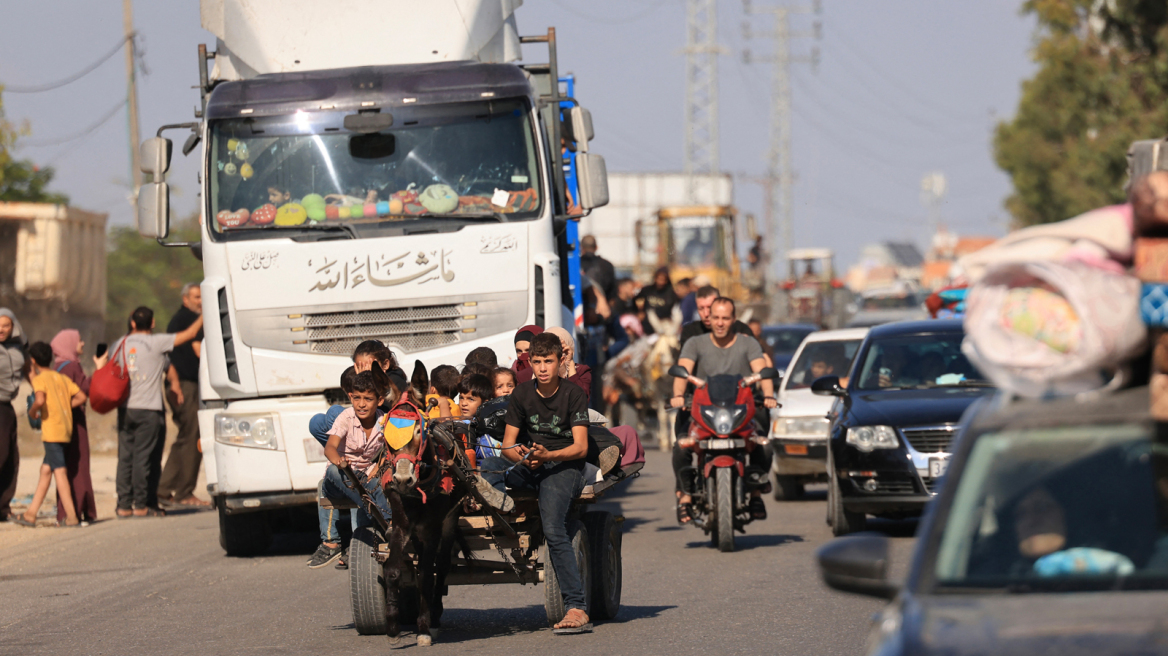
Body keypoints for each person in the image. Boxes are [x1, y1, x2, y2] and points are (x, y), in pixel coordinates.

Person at [479, 332, 593, 631]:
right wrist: (524, 458)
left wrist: (548, 455)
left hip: (563, 467)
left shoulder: (573, 394)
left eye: (549, 362)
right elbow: (507, 445)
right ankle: (505, 511)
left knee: (554, 529)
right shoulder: (522, 394)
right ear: (529, 363)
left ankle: (576, 607)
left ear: (560, 361)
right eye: (537, 362)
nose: (543, 368)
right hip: (532, 463)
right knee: (489, 466)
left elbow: (581, 447)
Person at [671, 297, 776, 524]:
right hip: (704, 410)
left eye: (725, 318)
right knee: (681, 445)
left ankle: (756, 494)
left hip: (740, 410)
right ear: (708, 318)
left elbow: (762, 371)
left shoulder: (748, 343)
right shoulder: (695, 343)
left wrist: (768, 396)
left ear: (733, 320)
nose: (719, 323)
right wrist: (679, 396)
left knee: (763, 445)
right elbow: (683, 372)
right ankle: (685, 497)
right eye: (715, 317)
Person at [112, 306, 204, 518]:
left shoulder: (120, 344)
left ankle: (124, 505)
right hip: (150, 410)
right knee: (145, 459)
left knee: (125, 458)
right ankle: (142, 504)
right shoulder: (156, 343)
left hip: (125, 409)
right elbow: (190, 335)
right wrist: (204, 313)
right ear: (152, 324)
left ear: (132, 323)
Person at [14, 343, 87, 527]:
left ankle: (71, 517)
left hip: (52, 432)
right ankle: (31, 514)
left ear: (33, 361)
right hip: (65, 430)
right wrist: (62, 407)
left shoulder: (40, 380)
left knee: (59, 472)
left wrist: (33, 412)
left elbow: (39, 400)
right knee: (46, 470)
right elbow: (81, 397)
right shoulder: (60, 378)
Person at [319, 369, 395, 548]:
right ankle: (375, 515)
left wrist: (382, 465)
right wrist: (339, 462)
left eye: (368, 399)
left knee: (379, 484)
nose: (361, 404)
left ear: (380, 401)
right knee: (333, 471)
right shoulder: (346, 417)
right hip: (340, 478)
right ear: (351, 397)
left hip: (367, 478)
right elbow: (330, 447)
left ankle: (391, 525)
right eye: (357, 398)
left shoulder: (385, 422)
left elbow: (390, 450)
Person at [158, 282, 208, 508]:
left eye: (201, 297)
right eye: (196, 297)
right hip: (185, 386)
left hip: (187, 385)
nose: (200, 301)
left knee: (187, 437)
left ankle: (165, 488)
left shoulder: (185, 319)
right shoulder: (187, 319)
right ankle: (183, 492)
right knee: (191, 438)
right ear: (185, 299)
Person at [307, 366, 358, 570]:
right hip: (348, 460)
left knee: (335, 412)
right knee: (318, 420)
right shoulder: (348, 418)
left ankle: (357, 540)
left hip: (365, 468)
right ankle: (331, 543)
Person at [50, 329, 101, 524]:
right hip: (74, 422)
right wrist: (99, 370)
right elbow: (83, 390)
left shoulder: (59, 367)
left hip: (62, 423)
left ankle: (67, 512)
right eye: (79, 341)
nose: (82, 344)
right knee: (78, 466)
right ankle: (78, 510)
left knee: (66, 467)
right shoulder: (71, 366)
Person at [0, 308, 27, 522]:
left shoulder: (18, 348)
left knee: (11, 458)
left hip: (7, 408)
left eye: (5, 325)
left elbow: (31, 370)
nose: (1, 329)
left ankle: (3, 508)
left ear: (13, 327)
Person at [678, 286, 754, 348]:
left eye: (709, 307)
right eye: (701, 308)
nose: (706, 314)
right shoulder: (690, 333)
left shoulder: (740, 330)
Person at [545, 326, 592, 400]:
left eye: (558, 347)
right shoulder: (537, 370)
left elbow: (581, 398)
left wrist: (570, 363)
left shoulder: (581, 371)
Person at [636, 267, 679, 334]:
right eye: (658, 279)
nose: (660, 282)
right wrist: (639, 311)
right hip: (646, 325)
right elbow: (636, 300)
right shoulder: (647, 290)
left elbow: (675, 310)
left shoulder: (670, 294)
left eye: (662, 280)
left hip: (663, 325)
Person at [579, 235, 616, 303]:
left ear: (581, 247)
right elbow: (613, 292)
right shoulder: (607, 265)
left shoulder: (576, 264)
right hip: (602, 307)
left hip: (581, 306)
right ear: (596, 247)